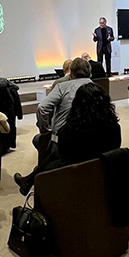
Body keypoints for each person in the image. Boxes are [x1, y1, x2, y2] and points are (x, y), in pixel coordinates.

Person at [14, 82, 121, 194]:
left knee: (49, 162)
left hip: (76, 173)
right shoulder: (114, 126)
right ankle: (28, 181)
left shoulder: (70, 129)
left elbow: (64, 154)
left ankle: (30, 180)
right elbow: (115, 148)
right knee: (53, 155)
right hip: (105, 170)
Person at [14, 58, 93, 194]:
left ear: (71, 73)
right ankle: (30, 180)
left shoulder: (62, 86)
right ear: (89, 72)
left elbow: (42, 108)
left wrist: (44, 128)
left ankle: (37, 182)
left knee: (43, 143)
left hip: (65, 137)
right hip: (90, 138)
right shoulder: (95, 87)